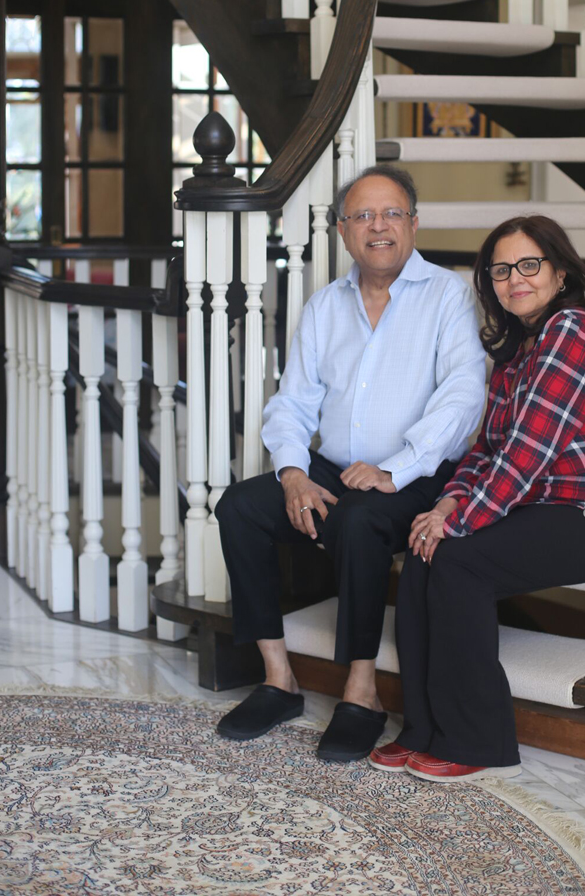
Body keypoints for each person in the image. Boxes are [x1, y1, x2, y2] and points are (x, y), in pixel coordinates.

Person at [369, 214, 585, 782]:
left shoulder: (572, 331)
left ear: (559, 271)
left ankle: (477, 740)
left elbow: (528, 452)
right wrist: (447, 505)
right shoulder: (518, 350)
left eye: (530, 265)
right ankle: (424, 728)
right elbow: (486, 450)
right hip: (549, 508)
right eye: (501, 270)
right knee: (428, 550)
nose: (514, 280)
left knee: (457, 560)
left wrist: (460, 523)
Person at [215, 165, 487, 762]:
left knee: (362, 520)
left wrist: (398, 466)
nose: (378, 226)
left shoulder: (448, 294)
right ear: (343, 231)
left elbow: (465, 396)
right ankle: (277, 679)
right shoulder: (324, 307)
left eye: (391, 213)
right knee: (237, 506)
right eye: (363, 216)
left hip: (416, 475)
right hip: (333, 470)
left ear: (414, 224)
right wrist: (292, 472)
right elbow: (292, 402)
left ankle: (361, 693)